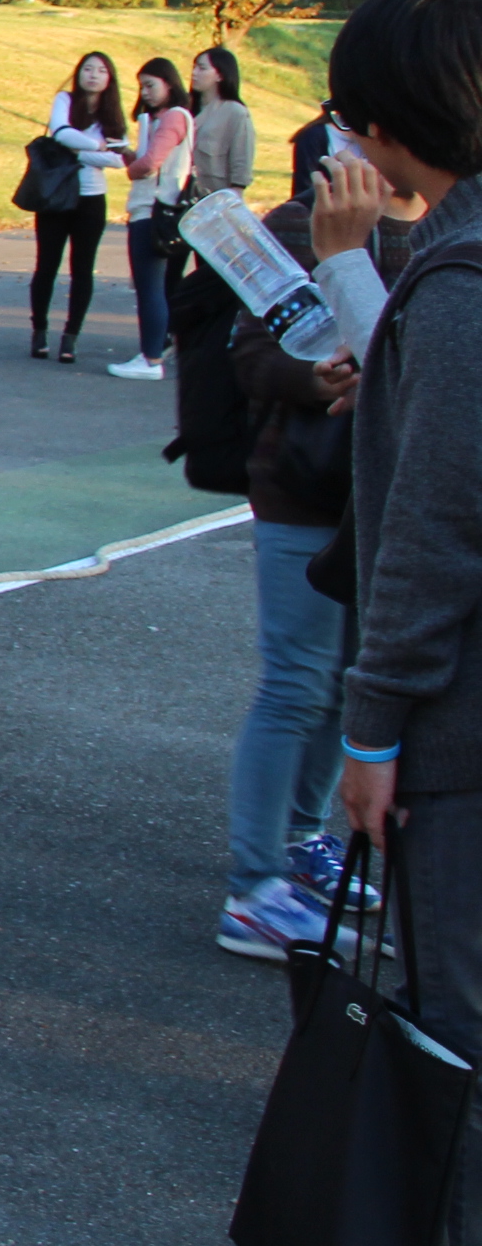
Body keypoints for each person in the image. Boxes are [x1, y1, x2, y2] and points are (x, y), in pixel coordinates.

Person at [243, 0, 482, 1246]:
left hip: (460, 728)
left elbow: (434, 531)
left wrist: (376, 729)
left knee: (459, 1028)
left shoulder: (457, 284)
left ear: (392, 118)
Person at [213, 162, 414, 960]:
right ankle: (254, 890)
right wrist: (312, 375)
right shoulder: (305, 221)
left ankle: (300, 839)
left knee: (349, 682)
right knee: (296, 682)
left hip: (393, 493)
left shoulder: (449, 225)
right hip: (305, 485)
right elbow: (252, 354)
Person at [31, 51, 125, 364]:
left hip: (91, 198)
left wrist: (75, 151)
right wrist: (97, 146)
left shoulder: (112, 115)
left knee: (82, 269)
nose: (93, 75)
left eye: (101, 70)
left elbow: (118, 159)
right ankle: (39, 331)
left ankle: (70, 337)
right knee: (47, 265)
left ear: (109, 79)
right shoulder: (65, 100)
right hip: (56, 196)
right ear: (78, 73)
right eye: (88, 69)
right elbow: (60, 132)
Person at [108, 57, 193, 381]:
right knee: (151, 286)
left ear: (169, 84)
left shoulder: (173, 117)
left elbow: (151, 163)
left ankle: (151, 358)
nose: (145, 93)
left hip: (153, 209)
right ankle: (151, 353)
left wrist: (132, 167)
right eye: (142, 87)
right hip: (156, 208)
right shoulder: (167, 118)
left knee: (150, 287)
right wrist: (129, 155)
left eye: (150, 85)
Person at [189, 46, 255, 200]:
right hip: (180, 197)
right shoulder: (185, 108)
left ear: (220, 75)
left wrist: (235, 194)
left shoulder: (235, 112)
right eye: (194, 67)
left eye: (202, 68)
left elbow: (241, 160)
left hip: (215, 197)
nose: (194, 73)